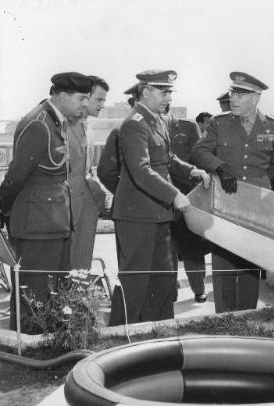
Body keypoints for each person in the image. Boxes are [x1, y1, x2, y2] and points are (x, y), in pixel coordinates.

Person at [0, 72, 93, 333]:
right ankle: (27, 346)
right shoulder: (40, 124)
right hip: (38, 223)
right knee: (35, 291)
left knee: (52, 290)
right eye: (81, 98)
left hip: (52, 221)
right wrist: (3, 206)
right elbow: (17, 174)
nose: (86, 104)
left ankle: (45, 342)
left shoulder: (54, 121)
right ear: (62, 96)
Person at [108, 70, 209, 325]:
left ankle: (158, 333)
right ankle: (122, 335)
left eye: (170, 92)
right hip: (137, 217)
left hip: (159, 214)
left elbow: (167, 160)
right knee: (136, 281)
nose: (169, 98)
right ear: (146, 91)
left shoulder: (157, 121)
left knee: (163, 280)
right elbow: (141, 170)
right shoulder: (134, 124)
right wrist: (175, 194)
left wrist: (192, 171)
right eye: (164, 92)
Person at [191, 71, 274, 313]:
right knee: (223, 261)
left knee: (250, 264)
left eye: (241, 94)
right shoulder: (219, 123)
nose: (233, 98)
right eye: (233, 92)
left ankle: (246, 315)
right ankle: (223, 318)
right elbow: (199, 152)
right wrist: (220, 167)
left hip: (256, 206)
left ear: (255, 98)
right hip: (225, 203)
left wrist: (257, 185)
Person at [64, 75, 108, 270]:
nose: (102, 105)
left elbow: (87, 170)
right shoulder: (62, 125)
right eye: (99, 99)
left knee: (81, 266)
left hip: (86, 209)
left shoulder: (88, 127)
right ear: (85, 97)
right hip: (65, 210)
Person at [167, 113, 208, 303]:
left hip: (186, 195)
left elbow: (199, 156)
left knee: (192, 245)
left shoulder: (188, 127)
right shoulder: (144, 126)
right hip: (160, 197)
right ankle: (170, 291)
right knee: (167, 248)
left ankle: (198, 289)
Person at [97, 84, 138, 194]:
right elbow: (106, 173)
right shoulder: (120, 132)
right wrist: (127, 195)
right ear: (134, 103)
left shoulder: (163, 131)